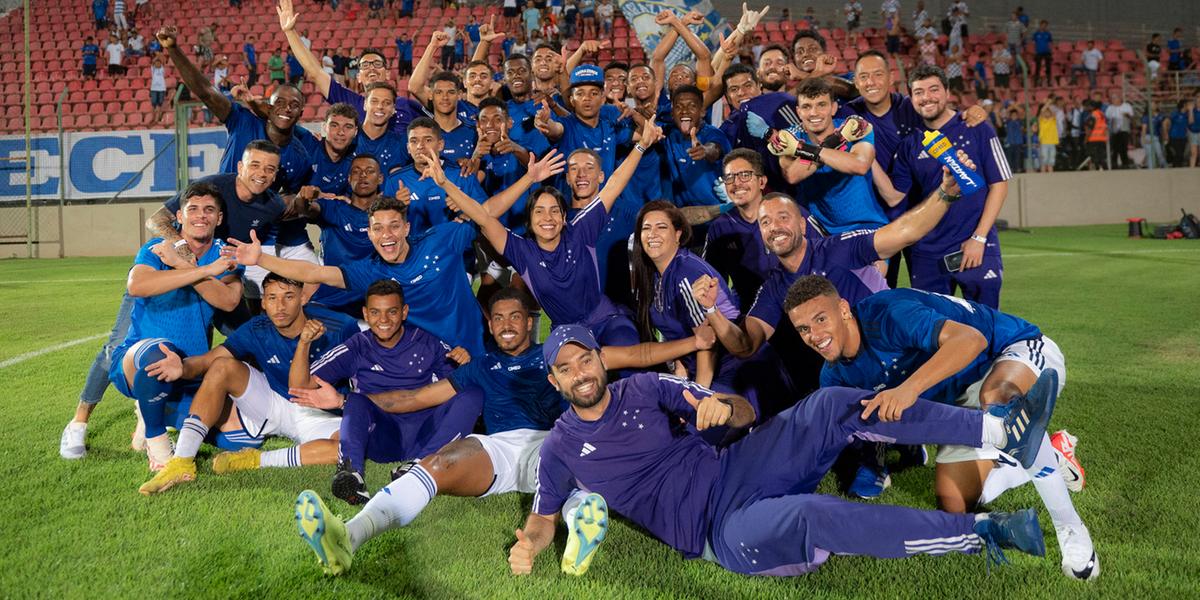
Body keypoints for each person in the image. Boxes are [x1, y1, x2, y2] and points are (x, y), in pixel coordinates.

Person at [506, 324, 1056, 578]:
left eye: (585, 361)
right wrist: (529, 546)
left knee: (831, 404)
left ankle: (995, 430)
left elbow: (738, 414)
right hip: (716, 531)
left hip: (737, 466)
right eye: (566, 368)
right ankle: (980, 535)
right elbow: (544, 518)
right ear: (555, 381)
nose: (579, 373)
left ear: (602, 361)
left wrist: (722, 408)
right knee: (812, 515)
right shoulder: (560, 448)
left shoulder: (644, 388)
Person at [291, 291, 714, 574]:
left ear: (530, 324)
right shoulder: (481, 365)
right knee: (437, 464)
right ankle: (350, 535)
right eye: (499, 318)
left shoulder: (560, 357)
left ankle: (574, 536)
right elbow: (413, 398)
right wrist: (342, 402)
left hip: (562, 440)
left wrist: (693, 344)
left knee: (576, 475)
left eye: (516, 316)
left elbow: (639, 353)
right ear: (490, 326)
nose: (508, 324)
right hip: (502, 449)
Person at [785, 275, 1097, 580]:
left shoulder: (888, 314)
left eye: (821, 319)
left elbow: (971, 340)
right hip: (962, 399)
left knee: (998, 401)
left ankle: (1070, 529)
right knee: (955, 505)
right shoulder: (834, 378)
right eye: (803, 329)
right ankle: (1051, 454)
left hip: (1011, 351)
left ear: (843, 309)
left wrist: (909, 388)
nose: (815, 335)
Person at [58, 141, 288, 462]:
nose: (261, 173)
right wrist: (181, 253)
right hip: (158, 320)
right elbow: (141, 273)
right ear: (240, 167)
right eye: (255, 165)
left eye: (269, 168)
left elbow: (228, 299)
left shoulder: (267, 209)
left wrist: (192, 266)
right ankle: (86, 422)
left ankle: (162, 409)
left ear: (219, 217)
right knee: (125, 348)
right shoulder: (170, 236)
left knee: (241, 430)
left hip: (199, 313)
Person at [137, 273, 359, 495]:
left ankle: (254, 460)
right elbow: (210, 359)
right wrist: (182, 367)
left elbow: (367, 374)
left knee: (348, 447)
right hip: (275, 402)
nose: (279, 306)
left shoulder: (339, 327)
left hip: (321, 414)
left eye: (288, 297)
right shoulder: (257, 328)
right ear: (263, 302)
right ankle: (182, 462)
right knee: (223, 366)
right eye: (272, 298)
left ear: (303, 298)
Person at [451, 118, 660, 348]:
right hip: (566, 332)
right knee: (569, 372)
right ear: (530, 221)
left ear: (564, 218)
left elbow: (614, 184)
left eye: (554, 211)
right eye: (539, 212)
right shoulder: (522, 250)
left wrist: (641, 145)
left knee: (624, 347)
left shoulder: (581, 229)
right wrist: (444, 183)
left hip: (606, 320)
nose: (547, 218)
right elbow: (483, 217)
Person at [288, 280, 483, 504]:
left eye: (391, 312)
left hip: (426, 433)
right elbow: (299, 387)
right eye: (375, 312)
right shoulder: (356, 347)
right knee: (355, 401)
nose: (383, 320)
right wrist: (303, 343)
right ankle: (351, 475)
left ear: (404, 312)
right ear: (365, 314)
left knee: (473, 393)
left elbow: (459, 386)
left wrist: (465, 365)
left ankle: (419, 465)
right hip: (382, 437)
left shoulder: (428, 343)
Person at [106, 183, 244, 471]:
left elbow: (229, 301)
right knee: (161, 353)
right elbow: (139, 285)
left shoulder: (227, 255)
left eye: (209, 210)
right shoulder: (156, 249)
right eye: (192, 209)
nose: (200, 216)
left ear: (219, 218)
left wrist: (183, 266)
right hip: (137, 359)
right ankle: (160, 452)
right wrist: (204, 271)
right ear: (179, 216)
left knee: (237, 438)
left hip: (190, 368)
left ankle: (151, 410)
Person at [874, 65, 1010, 308]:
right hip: (927, 253)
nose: (926, 97)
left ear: (947, 92)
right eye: (919, 92)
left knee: (988, 328)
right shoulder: (910, 144)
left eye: (933, 89)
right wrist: (866, 159)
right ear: (911, 98)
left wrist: (979, 238)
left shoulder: (976, 128)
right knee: (935, 332)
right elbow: (896, 199)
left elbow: (999, 184)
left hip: (975, 246)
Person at [770, 78, 888, 236]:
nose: (814, 113)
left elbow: (860, 165)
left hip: (866, 225)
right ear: (798, 112)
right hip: (820, 229)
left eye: (821, 105)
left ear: (833, 107)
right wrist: (837, 141)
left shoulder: (854, 128)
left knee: (872, 262)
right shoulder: (791, 136)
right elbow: (793, 175)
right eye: (806, 107)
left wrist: (801, 149)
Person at [662, 85, 731, 207]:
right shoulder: (668, 135)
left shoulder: (714, 133)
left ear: (703, 111)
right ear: (672, 113)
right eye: (679, 107)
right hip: (684, 218)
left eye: (692, 106)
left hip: (717, 215)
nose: (684, 111)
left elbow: (715, 149)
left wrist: (705, 150)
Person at [1105, 91, 1134, 169]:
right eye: (1112, 99)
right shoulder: (1110, 108)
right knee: (1114, 148)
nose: (1113, 100)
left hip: (1124, 130)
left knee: (1123, 148)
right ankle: (1114, 165)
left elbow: (1131, 116)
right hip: (1114, 131)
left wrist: (1126, 115)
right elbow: (1107, 117)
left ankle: (1125, 164)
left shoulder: (1126, 106)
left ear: (1120, 99)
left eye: (1115, 98)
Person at [1035, 101, 1059, 173]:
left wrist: (1049, 107)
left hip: (1052, 143)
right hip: (1044, 143)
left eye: (1048, 112)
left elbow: (1054, 113)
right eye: (1046, 112)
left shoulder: (1053, 120)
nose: (1047, 113)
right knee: (1044, 159)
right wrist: (1047, 104)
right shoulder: (1041, 121)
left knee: (1051, 160)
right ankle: (1043, 173)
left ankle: (1051, 174)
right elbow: (1041, 111)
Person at [1032, 21, 1052, 87]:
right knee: (1038, 67)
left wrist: (1050, 51)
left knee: (1048, 67)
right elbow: (1033, 43)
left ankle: (1049, 82)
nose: (1043, 26)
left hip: (1047, 52)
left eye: (1045, 25)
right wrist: (1034, 51)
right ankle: (1035, 82)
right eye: (1042, 25)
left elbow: (1050, 43)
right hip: (1038, 52)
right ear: (1040, 25)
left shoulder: (1048, 34)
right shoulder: (1036, 34)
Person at [148, 55, 167, 124]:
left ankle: (157, 119)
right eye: (156, 63)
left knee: (159, 104)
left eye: (159, 63)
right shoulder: (153, 69)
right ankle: (153, 118)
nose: (157, 64)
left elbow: (164, 61)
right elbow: (152, 62)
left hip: (161, 89)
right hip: (154, 89)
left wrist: (159, 57)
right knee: (153, 104)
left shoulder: (162, 69)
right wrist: (157, 56)